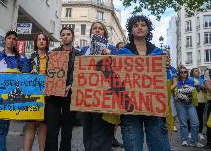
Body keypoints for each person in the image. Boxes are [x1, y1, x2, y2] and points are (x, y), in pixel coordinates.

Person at [118, 15, 171, 151]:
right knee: (133, 146)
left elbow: (165, 80)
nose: (139, 27)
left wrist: (165, 68)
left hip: (154, 106)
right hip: (130, 108)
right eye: (135, 25)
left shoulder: (158, 52)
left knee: (160, 145)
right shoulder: (122, 53)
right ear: (131, 30)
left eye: (143, 25)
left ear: (148, 29)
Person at [0, 30, 30, 151]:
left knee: (5, 126)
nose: (11, 40)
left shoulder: (21, 59)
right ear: (4, 40)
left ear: (16, 42)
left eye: (14, 39)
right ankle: (0, 148)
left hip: (13, 98)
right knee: (1, 126)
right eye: (9, 38)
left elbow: (26, 77)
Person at [80, 21, 117, 151]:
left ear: (104, 33)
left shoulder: (112, 49)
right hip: (87, 95)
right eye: (94, 28)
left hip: (105, 95)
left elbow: (120, 69)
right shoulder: (84, 50)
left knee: (102, 130)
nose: (97, 30)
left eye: (100, 29)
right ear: (91, 33)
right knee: (88, 128)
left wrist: (111, 56)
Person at [45, 27, 80, 151]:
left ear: (72, 37)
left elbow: (80, 74)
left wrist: (72, 84)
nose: (65, 36)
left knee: (67, 131)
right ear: (60, 37)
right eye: (63, 34)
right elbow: (48, 73)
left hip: (70, 96)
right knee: (52, 131)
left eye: (68, 34)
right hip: (54, 97)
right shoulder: (53, 53)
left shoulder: (79, 55)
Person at [23, 32, 49, 151]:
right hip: (32, 94)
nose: (41, 41)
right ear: (36, 42)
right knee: (31, 125)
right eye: (39, 39)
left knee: (43, 126)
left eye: (44, 39)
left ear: (47, 42)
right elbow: (23, 74)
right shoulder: (30, 57)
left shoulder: (52, 57)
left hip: (47, 96)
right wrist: (29, 73)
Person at [173, 65, 203, 147]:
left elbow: (192, 89)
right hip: (180, 103)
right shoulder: (176, 81)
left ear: (187, 72)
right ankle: (185, 140)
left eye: (185, 72)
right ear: (179, 73)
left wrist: (181, 91)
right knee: (183, 123)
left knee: (195, 123)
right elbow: (177, 92)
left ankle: (194, 141)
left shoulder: (190, 80)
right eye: (181, 72)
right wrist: (185, 91)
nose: (183, 74)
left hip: (190, 103)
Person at [163, 49, 178, 132]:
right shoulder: (156, 66)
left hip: (169, 92)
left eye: (166, 54)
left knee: (171, 107)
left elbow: (175, 83)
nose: (165, 56)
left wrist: (168, 89)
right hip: (158, 92)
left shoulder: (173, 69)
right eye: (163, 54)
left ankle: (172, 123)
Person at [190, 68, 206, 140]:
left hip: (202, 101)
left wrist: (202, 87)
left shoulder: (201, 79)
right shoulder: (190, 79)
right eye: (196, 71)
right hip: (193, 101)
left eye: (198, 70)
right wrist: (198, 87)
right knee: (191, 117)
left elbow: (205, 87)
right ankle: (190, 132)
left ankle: (200, 133)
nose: (198, 72)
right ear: (192, 72)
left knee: (200, 117)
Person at [203, 69, 211, 149]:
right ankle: (209, 141)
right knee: (210, 123)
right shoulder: (208, 71)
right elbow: (207, 85)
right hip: (210, 100)